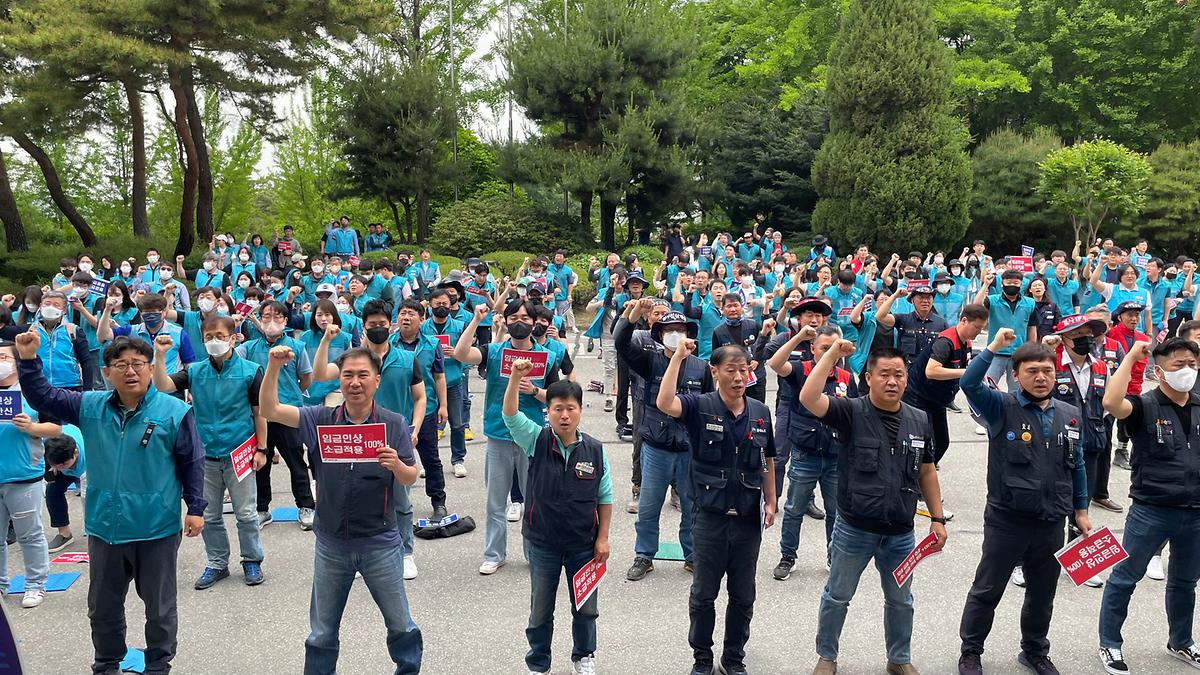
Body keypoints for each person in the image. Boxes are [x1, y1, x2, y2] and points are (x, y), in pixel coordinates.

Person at [15, 332, 205, 675]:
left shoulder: (174, 411)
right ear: (107, 372)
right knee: (102, 608)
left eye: (138, 364)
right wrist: (28, 360)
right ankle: (106, 664)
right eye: (121, 365)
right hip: (106, 527)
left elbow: (192, 461)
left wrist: (195, 507)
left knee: (160, 609)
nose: (130, 371)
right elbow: (43, 395)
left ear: (150, 369)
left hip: (156, 527)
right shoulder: (90, 406)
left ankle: (158, 665)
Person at [260, 345, 423, 675]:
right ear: (339, 380)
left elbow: (411, 475)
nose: (355, 382)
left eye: (363, 375)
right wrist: (273, 367)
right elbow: (270, 409)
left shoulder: (394, 423)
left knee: (401, 625)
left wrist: (396, 465)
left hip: (380, 544)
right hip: (331, 545)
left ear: (377, 380)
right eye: (348, 375)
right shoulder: (319, 418)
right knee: (321, 633)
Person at [800, 342, 947, 675]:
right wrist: (832, 355)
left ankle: (899, 658)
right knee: (837, 596)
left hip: (900, 533)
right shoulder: (850, 411)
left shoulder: (919, 419)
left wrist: (937, 518)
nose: (892, 381)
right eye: (884, 374)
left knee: (901, 600)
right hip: (854, 529)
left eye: (899, 375)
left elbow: (927, 471)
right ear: (868, 378)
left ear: (907, 379)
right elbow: (809, 398)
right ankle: (827, 656)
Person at [956, 328, 1091, 675]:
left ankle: (1034, 651)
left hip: (1051, 520)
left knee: (1042, 593)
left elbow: (1076, 465)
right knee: (987, 590)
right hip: (1008, 519)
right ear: (1015, 376)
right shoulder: (1001, 407)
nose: (1041, 377)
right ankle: (970, 651)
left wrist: (1081, 510)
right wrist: (993, 347)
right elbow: (969, 383)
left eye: (1047, 371)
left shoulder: (1069, 413)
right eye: (1032, 371)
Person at [656, 342, 777, 675]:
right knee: (703, 595)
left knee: (743, 595)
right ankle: (702, 658)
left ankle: (733, 657)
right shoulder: (699, 406)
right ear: (714, 372)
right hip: (709, 517)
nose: (738, 377)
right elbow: (664, 402)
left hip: (748, 519)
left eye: (744, 370)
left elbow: (767, 459)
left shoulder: (760, 411)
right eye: (731, 370)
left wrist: (771, 499)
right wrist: (678, 358)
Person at [501, 359, 611, 675]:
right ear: (547, 411)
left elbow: (605, 496)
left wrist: (603, 538)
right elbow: (510, 415)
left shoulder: (595, 449)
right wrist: (515, 378)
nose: (564, 415)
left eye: (571, 408)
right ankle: (538, 662)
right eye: (557, 409)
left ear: (580, 411)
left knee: (586, 607)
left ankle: (584, 656)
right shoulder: (535, 439)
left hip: (583, 545)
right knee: (540, 610)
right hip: (542, 543)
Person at [1098, 337, 1200, 674]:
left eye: (1192, 364)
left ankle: (1181, 641)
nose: (1187, 371)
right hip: (1151, 510)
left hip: (1195, 512)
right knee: (1125, 578)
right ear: (1159, 371)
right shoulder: (1143, 406)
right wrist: (1130, 357)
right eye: (1178, 364)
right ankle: (1110, 643)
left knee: (1185, 582)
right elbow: (1111, 402)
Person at [150, 318, 268, 590]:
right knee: (210, 515)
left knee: (246, 513)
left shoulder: (250, 371)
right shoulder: (195, 371)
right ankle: (217, 562)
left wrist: (262, 448)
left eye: (220, 335)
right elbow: (163, 385)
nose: (214, 341)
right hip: (203, 454)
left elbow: (259, 412)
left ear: (233, 338)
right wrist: (160, 354)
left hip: (239, 452)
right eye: (208, 336)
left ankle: (252, 559)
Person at [311, 301, 426, 581]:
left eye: (382, 324)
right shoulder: (353, 360)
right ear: (363, 327)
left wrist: (414, 428)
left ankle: (406, 552)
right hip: (358, 438)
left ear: (390, 325)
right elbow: (319, 374)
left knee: (401, 500)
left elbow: (420, 397)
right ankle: (361, 554)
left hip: (394, 437)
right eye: (372, 325)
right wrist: (326, 340)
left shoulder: (407, 359)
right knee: (359, 496)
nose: (377, 328)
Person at [452, 300, 561, 575]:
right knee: (495, 501)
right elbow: (461, 354)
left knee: (534, 500)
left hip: (531, 436)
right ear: (506, 321)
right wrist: (476, 320)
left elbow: (557, 398)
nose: (519, 322)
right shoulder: (494, 351)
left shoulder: (547, 357)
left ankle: (534, 552)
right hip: (498, 434)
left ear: (534, 322)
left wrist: (534, 391)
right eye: (513, 317)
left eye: (525, 317)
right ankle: (494, 554)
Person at [617, 305, 712, 581]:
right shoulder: (650, 361)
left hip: (688, 449)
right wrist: (633, 313)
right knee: (648, 507)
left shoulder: (701, 367)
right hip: (655, 447)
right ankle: (644, 555)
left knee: (691, 507)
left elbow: (708, 407)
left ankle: (693, 556)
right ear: (660, 335)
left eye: (680, 330)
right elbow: (621, 341)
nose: (675, 335)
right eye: (669, 330)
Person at [767, 325, 857, 581]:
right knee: (794, 509)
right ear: (813, 349)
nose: (830, 353)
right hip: (805, 455)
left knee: (835, 511)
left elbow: (855, 414)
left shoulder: (846, 377)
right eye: (825, 348)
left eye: (835, 348)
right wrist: (798, 337)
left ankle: (833, 555)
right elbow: (775, 363)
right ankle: (788, 555)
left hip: (835, 456)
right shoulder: (801, 370)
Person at [902, 303, 990, 518]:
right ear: (964, 320)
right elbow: (931, 371)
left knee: (942, 442)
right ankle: (917, 494)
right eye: (977, 327)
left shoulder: (965, 341)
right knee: (923, 446)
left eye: (982, 328)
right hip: (918, 398)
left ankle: (920, 483)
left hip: (937, 401)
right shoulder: (946, 341)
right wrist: (966, 372)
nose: (978, 332)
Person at [239, 300, 315, 530]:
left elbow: (306, 378)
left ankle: (306, 506)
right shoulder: (249, 348)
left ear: (285, 320)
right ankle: (262, 509)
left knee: (296, 462)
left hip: (288, 413)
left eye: (277, 316)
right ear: (260, 320)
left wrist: (291, 393)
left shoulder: (296, 346)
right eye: (266, 316)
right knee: (260, 463)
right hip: (259, 414)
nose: (271, 321)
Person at [0, 340, 59, 608]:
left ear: (16, 362)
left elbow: (56, 428)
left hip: (24, 475)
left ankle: (35, 584)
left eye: (3, 357)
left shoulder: (32, 392)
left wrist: (32, 427)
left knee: (29, 534)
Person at [390, 298, 449, 520]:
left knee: (430, 458)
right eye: (403, 313)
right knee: (392, 459)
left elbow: (439, 377)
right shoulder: (388, 342)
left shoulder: (432, 344)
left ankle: (438, 502)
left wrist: (443, 405)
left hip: (426, 410)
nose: (406, 318)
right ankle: (391, 503)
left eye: (411, 314)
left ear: (422, 319)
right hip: (395, 410)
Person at [974, 270, 1038, 392]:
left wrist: (1032, 350)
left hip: (1019, 353)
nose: (1012, 285)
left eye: (1016, 283)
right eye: (1008, 282)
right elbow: (976, 305)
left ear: (1021, 284)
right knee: (988, 386)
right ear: (1002, 283)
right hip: (995, 352)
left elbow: (1032, 328)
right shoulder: (992, 300)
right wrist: (986, 284)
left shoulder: (1030, 303)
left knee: (1017, 389)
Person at [44, 432, 85, 554]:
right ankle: (65, 534)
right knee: (52, 491)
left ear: (75, 453)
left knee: (90, 497)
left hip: (88, 468)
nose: (62, 467)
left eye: (64, 464)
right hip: (64, 462)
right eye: (58, 465)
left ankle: (98, 533)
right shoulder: (47, 446)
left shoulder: (89, 452)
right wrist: (53, 465)